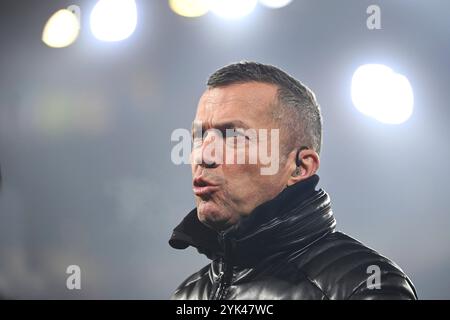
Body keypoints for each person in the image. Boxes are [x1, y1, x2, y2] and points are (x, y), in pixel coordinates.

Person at [169, 62, 417, 300]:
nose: (203, 155)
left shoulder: (365, 286)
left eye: (233, 136)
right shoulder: (186, 295)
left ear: (299, 167)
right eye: (199, 136)